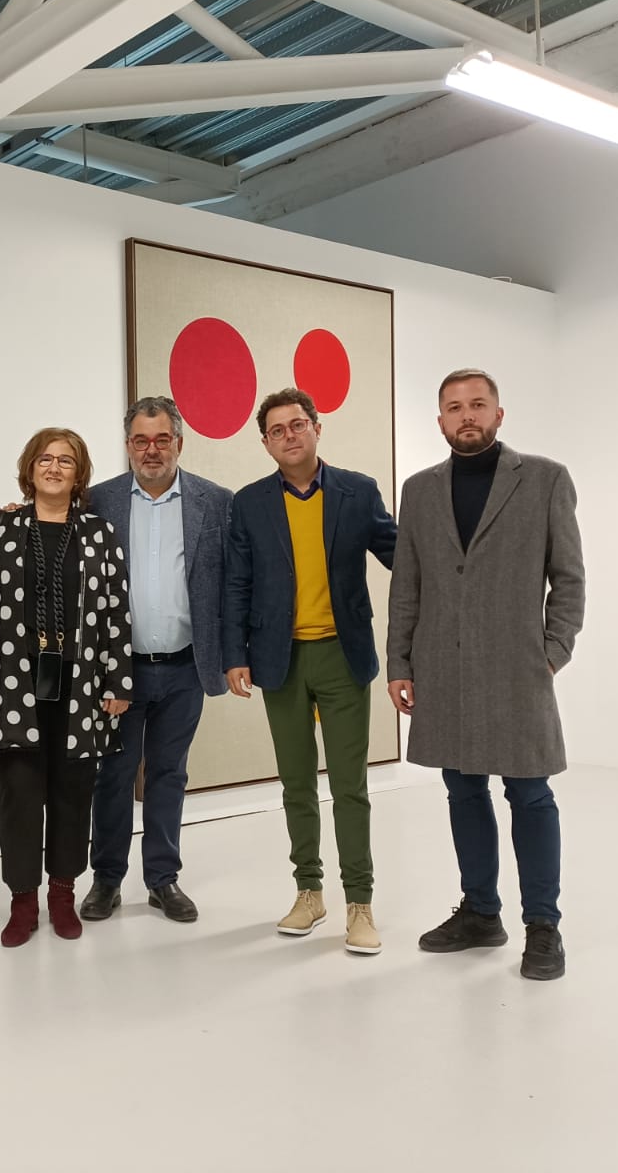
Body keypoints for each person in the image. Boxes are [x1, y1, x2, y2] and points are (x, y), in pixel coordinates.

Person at [387, 369, 584, 981]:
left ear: (499, 415)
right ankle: (479, 911)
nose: (466, 415)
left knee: (530, 793)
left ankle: (543, 925)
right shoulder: (419, 491)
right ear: (439, 420)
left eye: (478, 405)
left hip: (519, 668)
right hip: (444, 668)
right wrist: (399, 661)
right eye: (454, 407)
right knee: (462, 789)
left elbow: (569, 577)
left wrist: (552, 648)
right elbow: (407, 585)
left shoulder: (545, 479)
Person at [223, 388, 397, 954]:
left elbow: (403, 554)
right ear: (265, 441)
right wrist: (234, 653)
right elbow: (236, 584)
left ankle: (360, 903)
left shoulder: (358, 491)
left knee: (351, 787)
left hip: (343, 657)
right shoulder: (248, 504)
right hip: (281, 660)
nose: (290, 435)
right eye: (277, 429)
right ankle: (309, 892)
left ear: (317, 428)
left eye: (298, 424)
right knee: (296, 783)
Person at [80, 396, 231, 925]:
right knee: (114, 774)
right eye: (141, 440)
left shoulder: (216, 502)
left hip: (187, 666)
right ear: (126, 446)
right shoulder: (95, 502)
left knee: (170, 773)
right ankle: (106, 878)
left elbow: (232, 585)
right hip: (120, 670)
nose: (151, 449)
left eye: (162, 439)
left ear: (179, 444)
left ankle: (162, 879)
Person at [0, 428, 133, 947]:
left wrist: (119, 679)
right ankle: (22, 901)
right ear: (29, 469)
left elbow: (117, 611)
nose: (53, 468)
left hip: (83, 688)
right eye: (44, 460)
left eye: (65, 461)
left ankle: (63, 895)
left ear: (79, 474)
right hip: (14, 689)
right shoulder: (0, 528)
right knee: (19, 797)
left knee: (73, 796)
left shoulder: (100, 533)